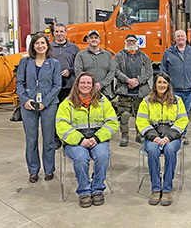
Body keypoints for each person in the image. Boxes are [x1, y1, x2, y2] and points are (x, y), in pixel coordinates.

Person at [56, 72, 118, 208]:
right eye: (82, 82)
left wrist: (97, 138)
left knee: (102, 156)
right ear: (77, 85)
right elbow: (61, 126)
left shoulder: (102, 101)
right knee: (80, 157)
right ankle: (84, 191)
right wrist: (80, 140)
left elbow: (112, 122)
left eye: (88, 83)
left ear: (93, 85)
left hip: (98, 138)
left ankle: (97, 189)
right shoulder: (67, 104)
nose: (85, 85)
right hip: (75, 141)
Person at [136, 73, 189, 206]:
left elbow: (182, 121)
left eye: (165, 82)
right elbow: (141, 121)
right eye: (159, 82)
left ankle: (167, 189)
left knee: (170, 150)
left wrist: (169, 137)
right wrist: (153, 137)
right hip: (152, 138)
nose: (162, 85)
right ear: (155, 84)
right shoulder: (146, 101)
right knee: (152, 150)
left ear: (168, 85)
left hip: (171, 137)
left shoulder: (177, 100)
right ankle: (155, 189)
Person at [16, 33, 61, 183]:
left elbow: (57, 85)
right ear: (33, 46)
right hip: (28, 106)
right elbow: (19, 83)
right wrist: (24, 100)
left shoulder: (54, 63)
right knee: (31, 140)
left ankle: (49, 169)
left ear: (47, 45)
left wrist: (45, 101)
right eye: (37, 43)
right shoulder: (25, 62)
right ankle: (33, 170)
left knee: (49, 139)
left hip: (48, 106)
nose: (40, 46)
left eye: (43, 43)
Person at [160, 30, 191, 145]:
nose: (180, 38)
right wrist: (164, 87)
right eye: (178, 36)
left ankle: (182, 135)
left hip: (188, 90)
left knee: (185, 114)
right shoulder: (168, 52)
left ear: (186, 38)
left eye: (182, 36)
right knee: (172, 114)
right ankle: (172, 135)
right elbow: (163, 70)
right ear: (175, 39)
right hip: (173, 90)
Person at [114, 34, 153, 147]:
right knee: (124, 115)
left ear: (136, 42)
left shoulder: (144, 56)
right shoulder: (119, 56)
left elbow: (149, 72)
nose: (131, 43)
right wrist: (127, 80)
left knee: (140, 116)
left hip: (140, 92)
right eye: (129, 41)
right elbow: (115, 70)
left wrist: (137, 81)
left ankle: (139, 134)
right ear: (125, 42)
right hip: (124, 91)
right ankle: (124, 136)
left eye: (133, 41)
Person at [51, 23, 80, 149]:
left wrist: (70, 71)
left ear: (65, 33)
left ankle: (70, 138)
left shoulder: (73, 48)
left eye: (61, 31)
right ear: (53, 33)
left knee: (70, 113)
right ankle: (56, 138)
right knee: (55, 113)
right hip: (53, 87)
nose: (59, 34)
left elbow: (78, 65)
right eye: (57, 31)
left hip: (70, 86)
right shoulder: (48, 47)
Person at [74, 30, 116, 99]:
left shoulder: (107, 55)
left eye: (96, 38)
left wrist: (101, 84)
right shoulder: (81, 55)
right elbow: (78, 72)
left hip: (104, 92)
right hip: (86, 92)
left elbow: (112, 71)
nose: (94, 40)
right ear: (87, 40)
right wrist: (90, 85)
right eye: (91, 38)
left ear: (99, 40)